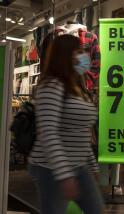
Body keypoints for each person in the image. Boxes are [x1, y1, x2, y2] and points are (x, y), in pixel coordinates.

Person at [28, 34, 104, 214]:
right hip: (50, 168)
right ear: (66, 56)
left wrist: (92, 165)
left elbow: (81, 133)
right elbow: (48, 134)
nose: (84, 56)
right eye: (79, 51)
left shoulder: (78, 86)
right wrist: (64, 175)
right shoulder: (51, 87)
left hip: (78, 166)